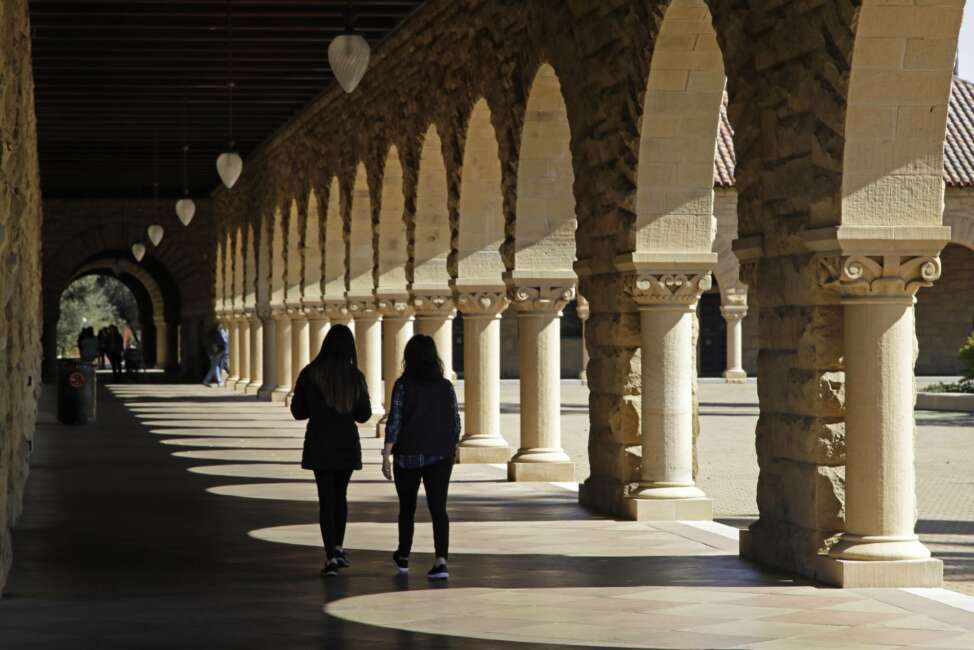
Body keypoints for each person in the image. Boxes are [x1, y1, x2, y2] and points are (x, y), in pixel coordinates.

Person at [290, 324, 372, 577]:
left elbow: (298, 412)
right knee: (341, 496)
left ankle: (330, 556)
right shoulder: (354, 376)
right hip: (346, 444)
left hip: (320, 443)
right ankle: (338, 546)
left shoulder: (310, 373)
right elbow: (364, 415)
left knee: (326, 499)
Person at [382, 334, 461, 580]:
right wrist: (449, 447)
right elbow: (455, 423)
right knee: (439, 508)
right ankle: (441, 560)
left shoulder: (403, 385)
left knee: (407, 508)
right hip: (439, 455)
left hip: (407, 455)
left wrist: (386, 454)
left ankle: (404, 555)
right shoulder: (445, 386)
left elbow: (394, 421)